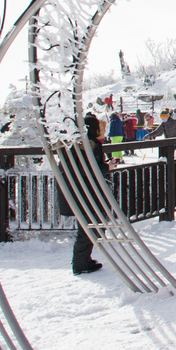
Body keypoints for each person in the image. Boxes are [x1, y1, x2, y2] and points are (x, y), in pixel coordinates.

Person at [63, 114, 108, 274]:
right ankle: (80, 263)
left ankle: (82, 261)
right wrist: (107, 168)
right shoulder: (91, 146)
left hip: (76, 192)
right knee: (90, 228)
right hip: (89, 193)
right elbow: (91, 170)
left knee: (88, 227)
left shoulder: (72, 145)